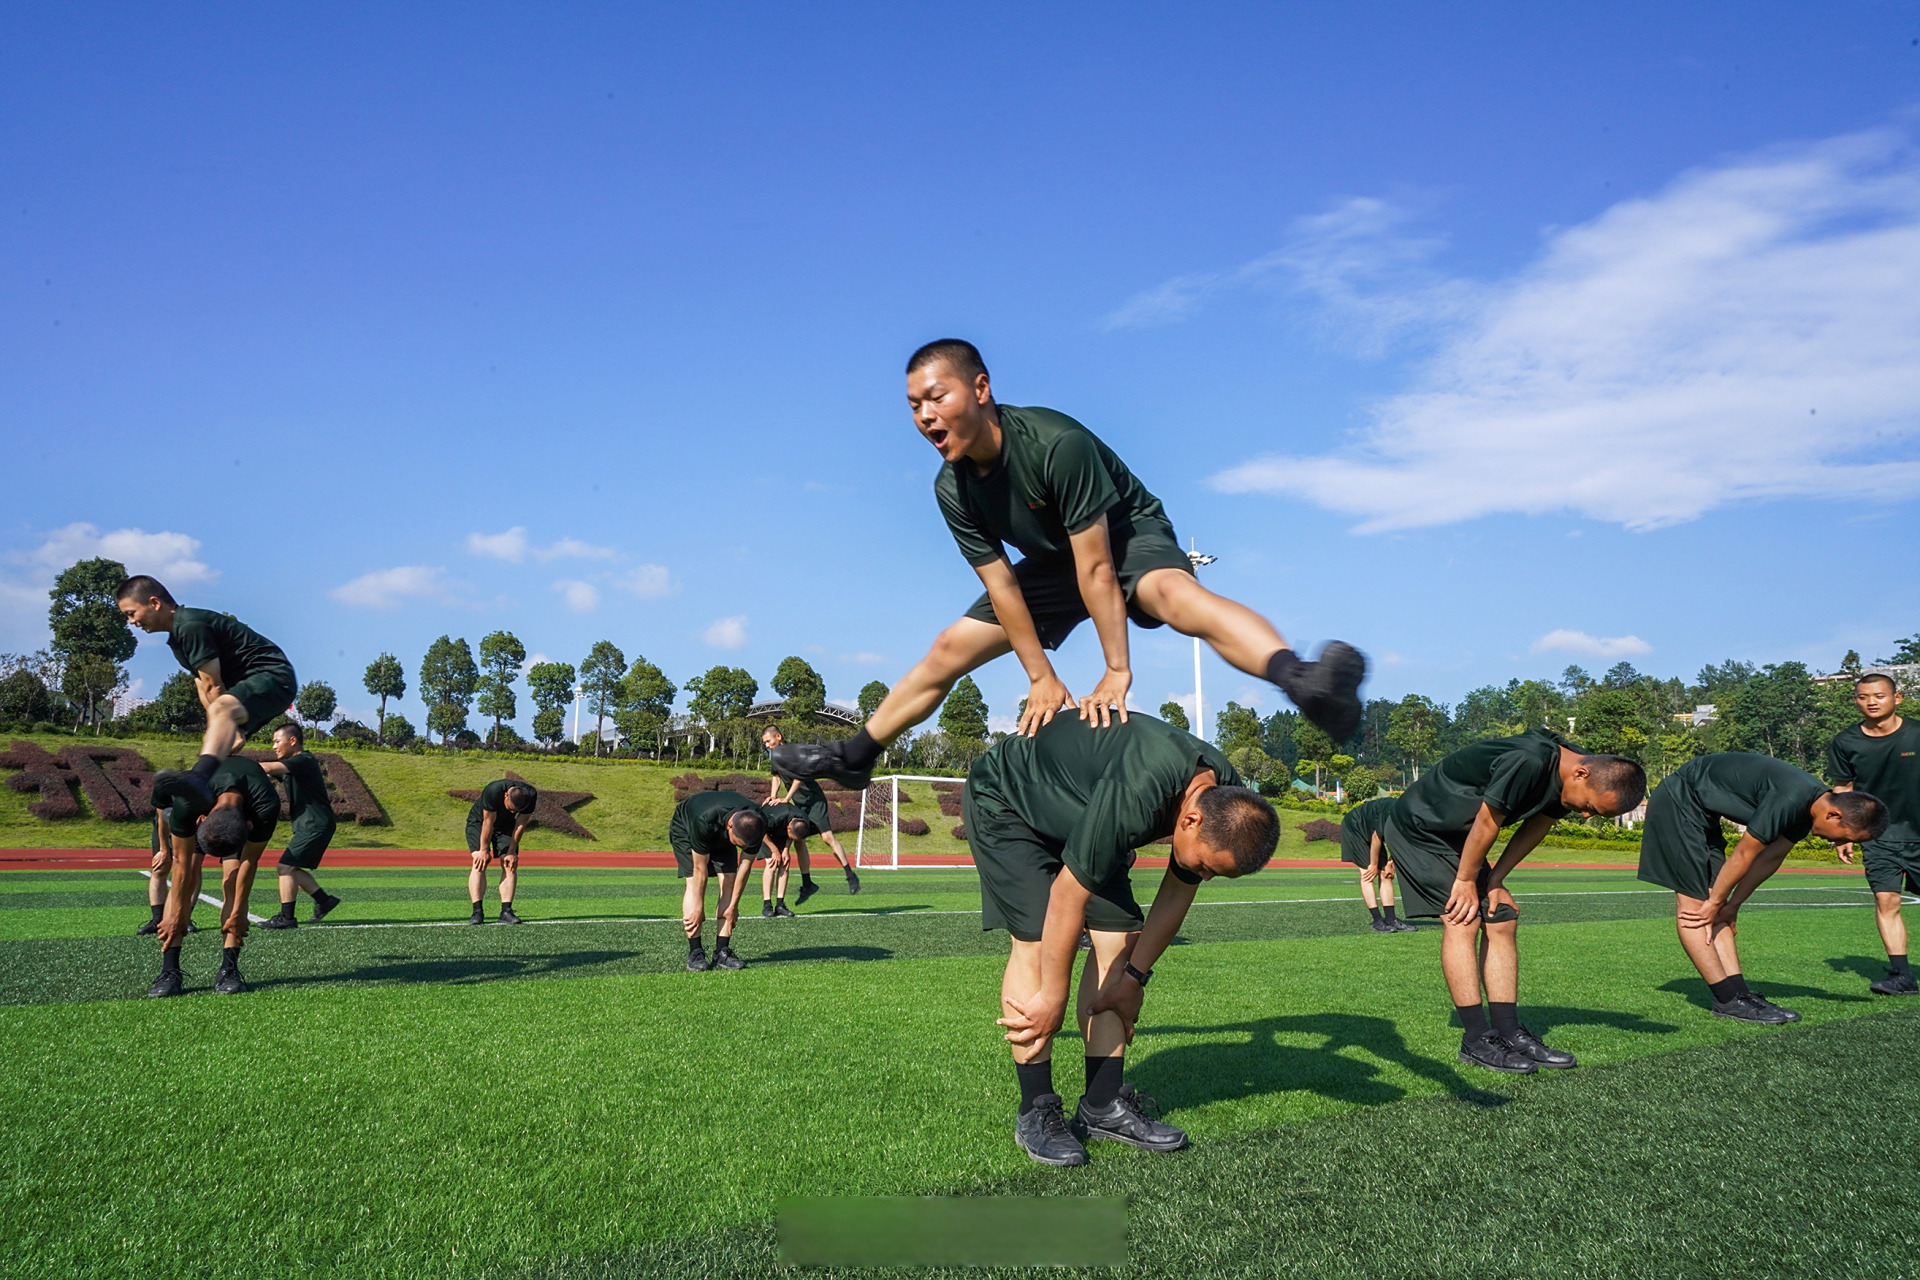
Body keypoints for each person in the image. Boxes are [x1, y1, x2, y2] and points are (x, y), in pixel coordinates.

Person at [771, 340, 1365, 791]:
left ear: (980, 389)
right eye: (914, 405)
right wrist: (1040, 676)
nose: (925, 415)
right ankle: (855, 756)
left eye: (937, 397)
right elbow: (1002, 586)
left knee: (1173, 597)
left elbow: (1099, 567)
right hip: (1056, 563)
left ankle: (1301, 678)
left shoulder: (1055, 443)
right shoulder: (952, 488)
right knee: (950, 646)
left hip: (1124, 537)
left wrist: (1116, 671)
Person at [975, 713, 1281, 1167]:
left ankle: (1102, 1105)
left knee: (1120, 939)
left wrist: (1134, 979)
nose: (1203, 876)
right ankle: (1035, 1109)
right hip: (1010, 799)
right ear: (1190, 819)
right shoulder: (1139, 792)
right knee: (1036, 943)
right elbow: (1066, 897)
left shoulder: (1229, 801)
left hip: (1083, 808)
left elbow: (1177, 891)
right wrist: (1053, 999)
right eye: (1205, 866)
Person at [1386, 729, 1645, 1074]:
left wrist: (1496, 880)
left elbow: (1539, 825)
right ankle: (1476, 1040)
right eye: (1589, 807)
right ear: (1581, 774)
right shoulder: (1530, 760)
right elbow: (1487, 820)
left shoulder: (1574, 771)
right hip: (1422, 827)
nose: (1585, 816)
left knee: (1502, 916)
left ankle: (1509, 1032)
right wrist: (1465, 881)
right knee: (1463, 917)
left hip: (1460, 835)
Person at [1640, 752, 1888, 1023]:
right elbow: (1745, 853)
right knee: (1697, 905)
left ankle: (1739, 994)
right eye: (1847, 837)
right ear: (1833, 814)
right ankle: (1726, 999)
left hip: (1702, 812)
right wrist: (1715, 902)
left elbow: (1771, 857)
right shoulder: (1791, 798)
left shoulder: (1809, 808)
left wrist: (1732, 904)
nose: (1842, 842)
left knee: (1717, 906)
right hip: (1679, 801)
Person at [115, 576, 297, 812]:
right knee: (218, 740)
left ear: (155, 603)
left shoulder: (190, 625)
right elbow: (202, 685)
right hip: (249, 687)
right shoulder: (177, 639)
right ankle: (197, 794)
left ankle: (199, 778)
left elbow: (214, 687)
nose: (131, 622)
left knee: (219, 723)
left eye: (131, 613)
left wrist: (225, 721)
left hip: (274, 678)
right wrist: (226, 728)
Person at [147, 755, 282, 997]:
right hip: (202, 811)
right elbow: (181, 864)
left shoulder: (265, 806)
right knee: (186, 878)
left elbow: (249, 862)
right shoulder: (188, 801)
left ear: (249, 826)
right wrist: (176, 913)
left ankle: (228, 969)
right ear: (201, 820)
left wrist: (239, 911)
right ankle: (169, 971)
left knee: (232, 879)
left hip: (237, 817)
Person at [1828, 673, 1920, 996]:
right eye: (1864, 696)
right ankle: (1902, 976)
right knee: (1886, 900)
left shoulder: (1917, 734)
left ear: (1897, 698)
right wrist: (1843, 834)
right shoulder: (1845, 742)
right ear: (1856, 701)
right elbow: (1843, 790)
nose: (1871, 702)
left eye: (1879, 695)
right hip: (1879, 835)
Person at [255, 723, 342, 929]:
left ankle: (287, 918)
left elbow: (267, 768)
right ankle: (324, 900)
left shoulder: (304, 760)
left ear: (292, 741)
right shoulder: (292, 766)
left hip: (316, 824)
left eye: (277, 741)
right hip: (310, 824)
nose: (274, 746)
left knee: (285, 867)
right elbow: (266, 774)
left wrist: (234, 766)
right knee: (291, 867)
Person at [670, 790, 768, 971]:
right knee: (693, 882)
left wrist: (733, 906)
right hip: (687, 827)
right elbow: (700, 870)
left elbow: (745, 866)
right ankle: (695, 952)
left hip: (721, 829)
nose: (741, 848)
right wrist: (698, 907)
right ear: (730, 826)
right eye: (738, 844)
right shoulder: (703, 820)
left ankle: (722, 951)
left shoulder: (757, 822)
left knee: (729, 879)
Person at [762, 725, 860, 899]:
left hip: (814, 801)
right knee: (798, 839)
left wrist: (786, 798)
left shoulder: (795, 753)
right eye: (765, 743)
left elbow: (799, 777)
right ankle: (807, 884)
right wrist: (773, 796)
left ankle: (851, 876)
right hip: (800, 804)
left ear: (778, 736)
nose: (767, 745)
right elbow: (776, 777)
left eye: (768, 741)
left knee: (827, 838)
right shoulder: (775, 757)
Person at [1340, 795, 1413, 933]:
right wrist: (1373, 865)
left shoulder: (1411, 818)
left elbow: (1400, 840)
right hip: (1355, 828)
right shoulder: (1393, 812)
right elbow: (1376, 837)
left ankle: (1391, 919)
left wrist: (1391, 862)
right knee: (1367, 873)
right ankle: (1377, 921)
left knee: (1386, 874)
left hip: (1371, 829)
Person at [467, 779, 536, 925]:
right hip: (480, 822)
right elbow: (488, 822)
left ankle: (506, 912)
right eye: (510, 809)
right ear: (505, 795)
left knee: (509, 864)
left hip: (506, 826)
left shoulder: (530, 795)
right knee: (480, 861)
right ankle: (477, 912)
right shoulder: (493, 790)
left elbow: (521, 823)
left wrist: (511, 852)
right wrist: (484, 850)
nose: (512, 812)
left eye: (515, 811)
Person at [137, 806, 197, 937]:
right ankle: (157, 919)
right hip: (165, 820)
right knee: (160, 868)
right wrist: (163, 848)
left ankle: (185, 917)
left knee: (191, 869)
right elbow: (161, 812)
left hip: (191, 818)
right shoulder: (165, 795)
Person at [756, 802, 815, 919]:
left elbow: (791, 836)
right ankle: (767, 905)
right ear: (788, 827)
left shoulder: (803, 820)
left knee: (785, 863)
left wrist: (786, 850)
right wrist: (774, 850)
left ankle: (780, 905)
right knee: (771, 863)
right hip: (765, 832)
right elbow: (761, 831)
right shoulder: (774, 818)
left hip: (781, 832)